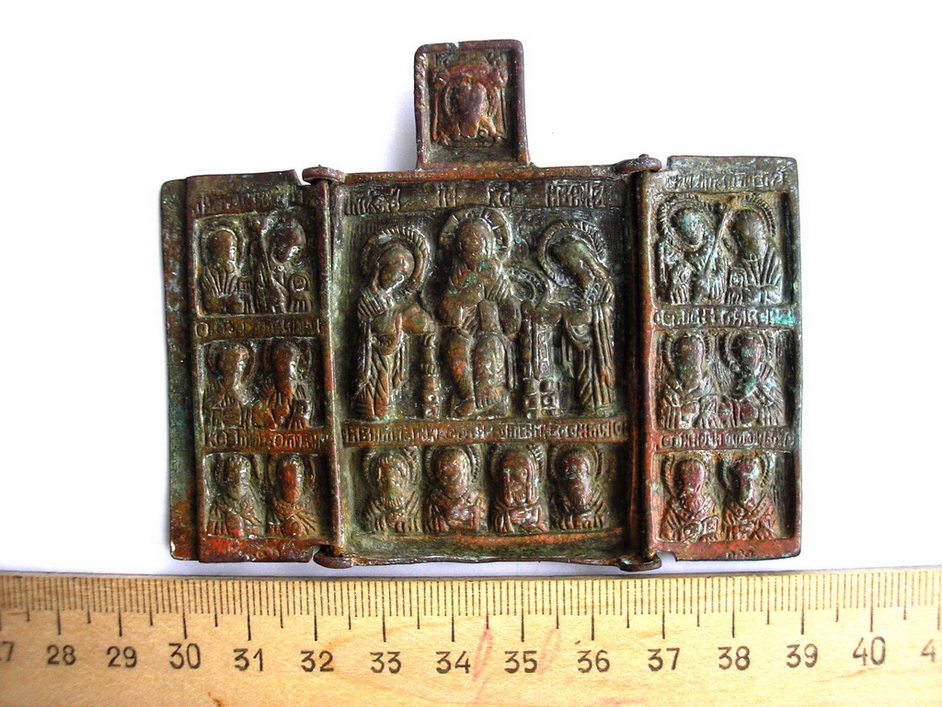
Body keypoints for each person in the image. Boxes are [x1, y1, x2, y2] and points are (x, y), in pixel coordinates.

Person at [439, 215, 520, 418]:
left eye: (477, 242)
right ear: (459, 247)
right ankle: (467, 397)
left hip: (492, 333)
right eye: (466, 243)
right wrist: (462, 304)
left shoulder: (494, 273)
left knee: (487, 345)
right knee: (456, 344)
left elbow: (510, 317)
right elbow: (446, 310)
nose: (472, 247)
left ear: (488, 245)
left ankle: (490, 397)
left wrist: (494, 308)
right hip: (466, 331)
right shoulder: (458, 275)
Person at [354, 231, 435, 420]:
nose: (399, 281)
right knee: (371, 395)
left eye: (404, 278)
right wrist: (395, 320)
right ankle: (366, 412)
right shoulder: (367, 299)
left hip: (388, 357)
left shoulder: (391, 300)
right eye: (398, 273)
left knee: (383, 396)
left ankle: (379, 412)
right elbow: (368, 325)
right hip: (370, 356)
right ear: (382, 267)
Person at [541, 224, 616, 416]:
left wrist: (573, 313)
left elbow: (604, 313)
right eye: (566, 268)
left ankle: (599, 407)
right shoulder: (580, 291)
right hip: (583, 349)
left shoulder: (604, 287)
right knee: (583, 375)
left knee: (592, 379)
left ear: (583, 263)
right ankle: (590, 407)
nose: (569, 272)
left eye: (570, 266)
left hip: (598, 349)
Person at [657, 204, 727, 304]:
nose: (689, 233)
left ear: (701, 226)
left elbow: (721, 272)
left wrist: (711, 282)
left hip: (711, 292)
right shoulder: (681, 250)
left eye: (693, 226)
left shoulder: (714, 246)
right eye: (683, 231)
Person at [658, 333, 727, 429]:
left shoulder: (709, 390)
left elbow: (714, 419)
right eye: (685, 359)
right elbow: (663, 416)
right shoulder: (670, 391)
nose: (691, 365)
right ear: (676, 362)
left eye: (695, 358)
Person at [721, 331, 785, 427]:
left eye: (753, 351)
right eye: (744, 352)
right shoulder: (740, 377)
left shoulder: (767, 375)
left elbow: (780, 410)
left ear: (761, 354)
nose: (749, 357)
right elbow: (733, 402)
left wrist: (757, 412)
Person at [253, 210, 312, 314]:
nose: (293, 253)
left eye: (296, 249)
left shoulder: (289, 268)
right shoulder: (264, 267)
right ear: (280, 245)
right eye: (291, 248)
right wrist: (271, 291)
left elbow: (294, 286)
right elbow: (260, 288)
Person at [725, 208, 783, 305]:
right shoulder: (741, 260)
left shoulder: (773, 258)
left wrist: (759, 294)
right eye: (736, 236)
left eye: (741, 236)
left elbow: (779, 293)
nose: (738, 241)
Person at [252, 339, 312, 430]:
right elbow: (259, 410)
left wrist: (301, 415)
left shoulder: (300, 390)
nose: (283, 369)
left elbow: (306, 407)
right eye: (279, 365)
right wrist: (265, 399)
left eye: (291, 365)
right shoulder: (269, 388)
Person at [424, 447, 486, 533]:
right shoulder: (434, 500)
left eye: (456, 474)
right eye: (445, 475)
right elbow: (430, 525)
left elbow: (482, 526)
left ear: (467, 472)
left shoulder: (476, 499)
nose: (451, 479)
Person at [659, 457, 719, 543]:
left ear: (703, 482)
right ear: (679, 482)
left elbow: (716, 533)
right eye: (685, 482)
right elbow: (666, 535)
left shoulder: (710, 506)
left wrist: (705, 530)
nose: (686, 487)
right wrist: (685, 532)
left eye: (695, 483)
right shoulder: (674, 509)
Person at [491, 447, 546, 534]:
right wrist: (509, 516)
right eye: (509, 474)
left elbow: (543, 529)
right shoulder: (499, 504)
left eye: (523, 474)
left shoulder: (538, 505)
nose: (515, 481)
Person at [364, 449, 421, 533]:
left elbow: (422, 523)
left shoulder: (413, 502)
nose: (379, 480)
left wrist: (407, 522)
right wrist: (386, 520)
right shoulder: (374, 503)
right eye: (379, 477)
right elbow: (366, 525)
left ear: (401, 479)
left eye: (385, 478)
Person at [207, 455, 263, 538]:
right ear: (226, 478)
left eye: (243, 476)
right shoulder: (219, 505)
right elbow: (211, 532)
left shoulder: (252, 506)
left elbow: (258, 530)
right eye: (232, 475)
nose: (238, 481)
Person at [722, 455, 777, 541]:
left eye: (749, 480)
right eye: (739, 480)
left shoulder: (765, 505)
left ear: (757, 479)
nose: (744, 485)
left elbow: (770, 533)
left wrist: (760, 531)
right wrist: (739, 529)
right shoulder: (730, 506)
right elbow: (726, 531)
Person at [553, 446, 606, 530]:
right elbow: (555, 520)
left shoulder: (598, 501)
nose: (578, 481)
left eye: (583, 473)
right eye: (571, 475)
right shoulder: (558, 501)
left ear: (592, 474)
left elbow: (603, 519)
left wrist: (592, 517)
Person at [267, 455, 318, 538]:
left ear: (303, 478)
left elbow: (314, 531)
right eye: (287, 482)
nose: (293, 484)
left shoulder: (308, 506)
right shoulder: (274, 508)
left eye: (297, 477)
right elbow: (271, 536)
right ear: (279, 479)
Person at [200, 227, 249, 314]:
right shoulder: (208, 275)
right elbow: (209, 304)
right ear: (215, 252)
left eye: (233, 249)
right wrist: (227, 300)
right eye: (228, 249)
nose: (232, 253)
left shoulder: (237, 273)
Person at [203, 342, 251, 428]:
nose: (237, 368)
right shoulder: (212, 389)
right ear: (222, 364)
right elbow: (204, 411)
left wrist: (239, 398)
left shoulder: (246, 392)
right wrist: (218, 397)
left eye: (241, 364)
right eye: (232, 363)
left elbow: (251, 413)